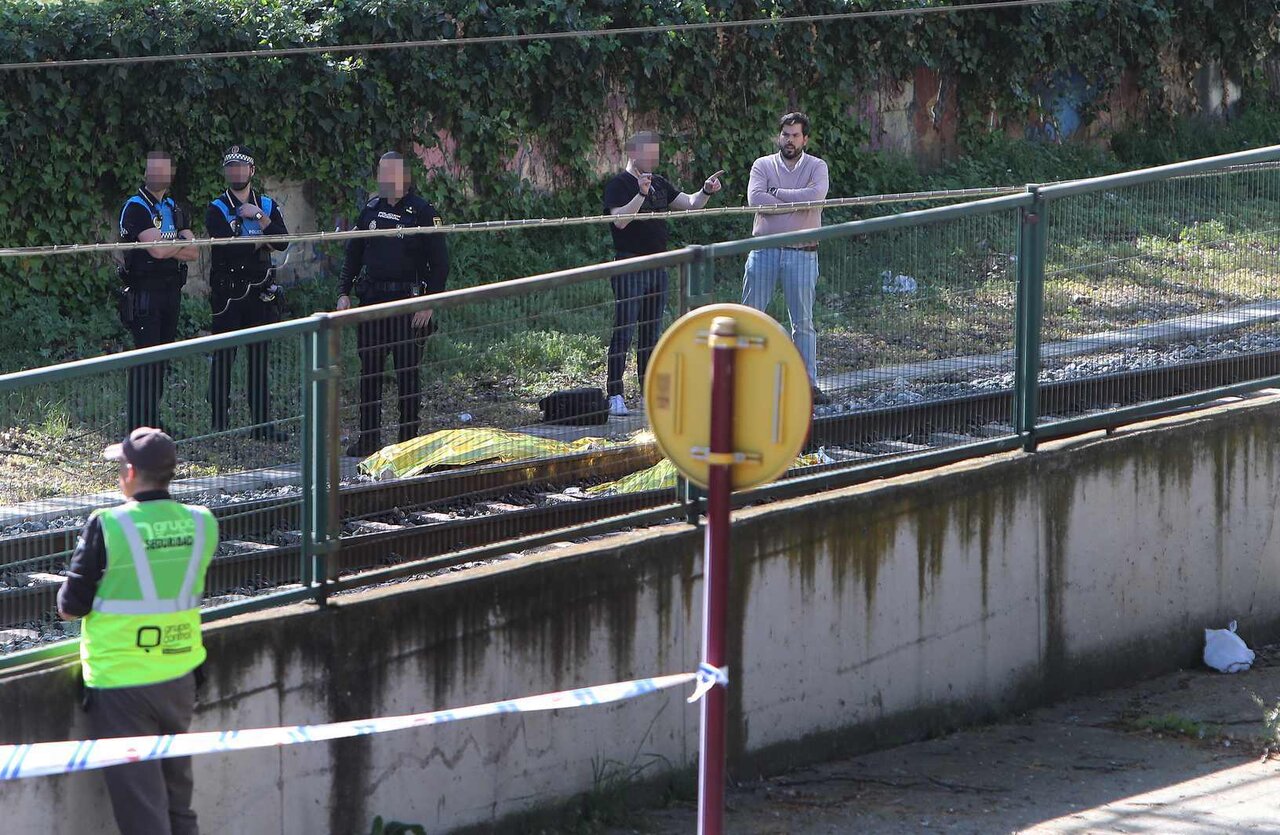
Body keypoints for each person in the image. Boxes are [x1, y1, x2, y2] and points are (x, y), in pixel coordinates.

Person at [58, 427, 218, 835]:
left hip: (122, 685)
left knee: (142, 812)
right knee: (178, 804)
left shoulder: (108, 524)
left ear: (130, 472)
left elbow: (70, 607)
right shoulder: (201, 523)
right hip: (180, 676)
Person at [336, 152, 450, 456]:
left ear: (403, 177)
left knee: (407, 374)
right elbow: (353, 253)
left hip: (407, 306)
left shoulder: (423, 212)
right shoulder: (371, 209)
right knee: (369, 373)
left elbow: (440, 263)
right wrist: (343, 292)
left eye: (388, 173)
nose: (382, 179)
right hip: (372, 303)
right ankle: (369, 440)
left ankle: (408, 441)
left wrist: (429, 302)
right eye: (380, 173)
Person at [602, 131, 723, 416]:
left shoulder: (659, 183)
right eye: (648, 153)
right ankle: (615, 393)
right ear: (633, 153)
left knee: (651, 332)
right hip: (630, 265)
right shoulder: (618, 184)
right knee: (625, 328)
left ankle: (647, 391)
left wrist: (706, 190)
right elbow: (619, 221)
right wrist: (640, 194)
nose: (653, 159)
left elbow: (690, 205)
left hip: (658, 267)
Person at [741, 112, 831, 405]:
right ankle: (745, 380)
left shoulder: (818, 167)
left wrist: (777, 194)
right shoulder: (762, 165)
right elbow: (756, 200)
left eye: (795, 135)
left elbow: (815, 197)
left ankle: (807, 384)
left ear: (805, 138)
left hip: (802, 252)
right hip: (764, 250)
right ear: (778, 136)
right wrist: (796, 202)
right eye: (785, 134)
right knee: (751, 317)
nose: (789, 140)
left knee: (802, 322)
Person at [205, 145, 290, 442]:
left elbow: (282, 242)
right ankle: (219, 424)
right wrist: (259, 243)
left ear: (252, 171)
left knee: (259, 359)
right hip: (228, 294)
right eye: (230, 167)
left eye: (241, 167)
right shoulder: (217, 208)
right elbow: (228, 248)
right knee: (224, 358)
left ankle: (262, 426)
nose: (236, 172)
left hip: (260, 292)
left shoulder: (265, 205)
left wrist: (260, 219)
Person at [117, 152, 200, 431]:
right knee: (146, 359)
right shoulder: (136, 207)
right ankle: (137, 426)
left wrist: (170, 245)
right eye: (152, 170)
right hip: (145, 294)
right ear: (145, 173)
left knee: (162, 359)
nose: (157, 176)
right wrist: (176, 241)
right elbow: (157, 249)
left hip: (170, 292)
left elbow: (194, 251)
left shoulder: (174, 207)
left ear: (171, 175)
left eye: (162, 171)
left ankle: (152, 422)